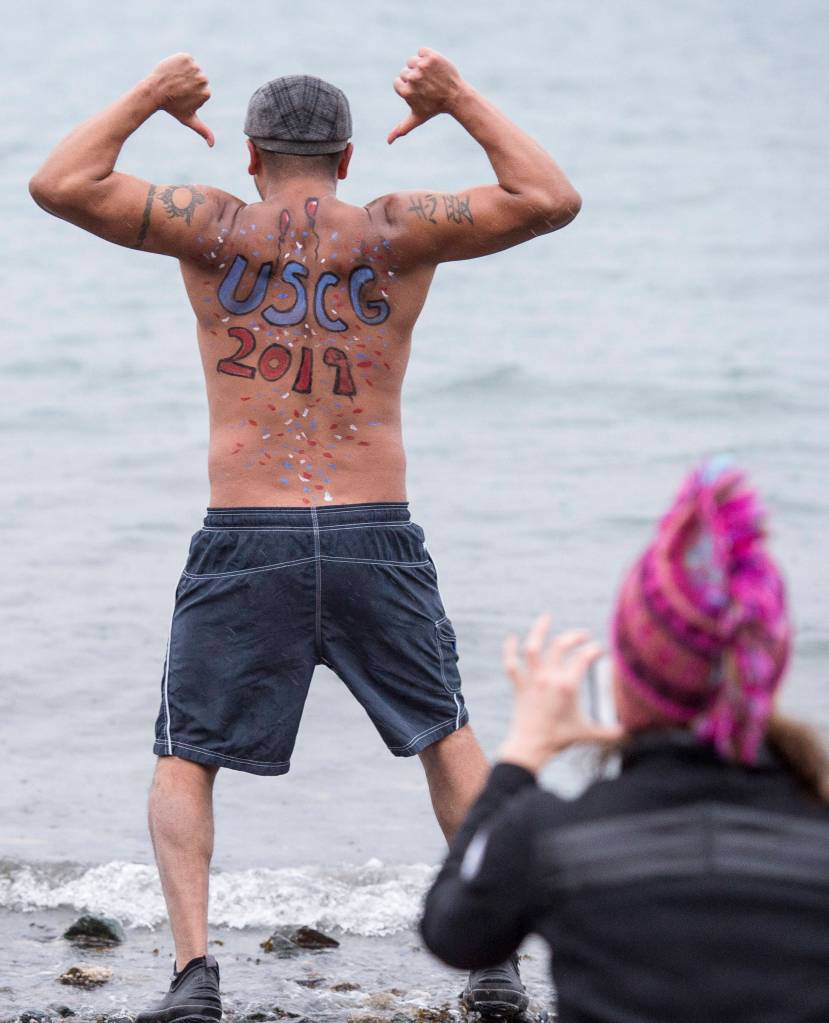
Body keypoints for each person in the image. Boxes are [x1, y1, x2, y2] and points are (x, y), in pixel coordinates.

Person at [29, 48, 581, 1019]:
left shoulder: (216, 227)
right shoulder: (397, 228)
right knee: (444, 737)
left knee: (185, 752)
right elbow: (548, 197)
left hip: (248, 531)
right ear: (348, 156)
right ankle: (491, 966)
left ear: (248, 155)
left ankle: (195, 979)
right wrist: (454, 103)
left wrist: (154, 99)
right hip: (374, 530)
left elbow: (59, 183)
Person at [421, 459, 829, 1023]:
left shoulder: (556, 836)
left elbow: (453, 931)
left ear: (625, 678)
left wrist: (523, 754)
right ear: (768, 672)